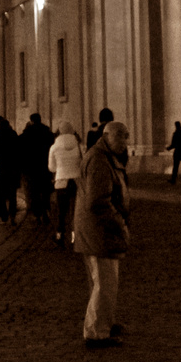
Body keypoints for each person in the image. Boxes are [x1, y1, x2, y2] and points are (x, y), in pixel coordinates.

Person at [76, 121, 131, 349]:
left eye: (127, 137)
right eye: (122, 138)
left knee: (105, 281)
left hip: (97, 230)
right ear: (107, 136)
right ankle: (96, 333)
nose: (125, 143)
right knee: (104, 282)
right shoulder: (99, 159)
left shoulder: (104, 156)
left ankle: (104, 322)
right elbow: (99, 201)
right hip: (100, 230)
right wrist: (120, 223)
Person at [48, 119, 84, 248]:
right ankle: (75, 238)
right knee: (75, 212)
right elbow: (83, 164)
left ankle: (60, 236)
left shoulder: (54, 147)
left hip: (61, 182)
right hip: (76, 182)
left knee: (61, 212)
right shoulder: (79, 146)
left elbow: (51, 168)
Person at [20, 112, 55, 223]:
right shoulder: (48, 133)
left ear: (31, 121)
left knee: (34, 192)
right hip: (45, 166)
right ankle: (46, 211)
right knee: (45, 191)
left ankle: (37, 214)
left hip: (31, 168)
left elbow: (21, 151)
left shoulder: (26, 134)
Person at [0, 117, 22, 223]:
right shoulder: (14, 135)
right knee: (12, 194)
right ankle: (12, 216)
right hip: (13, 169)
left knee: (1, 193)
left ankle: (4, 215)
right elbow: (19, 153)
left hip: (2, 169)